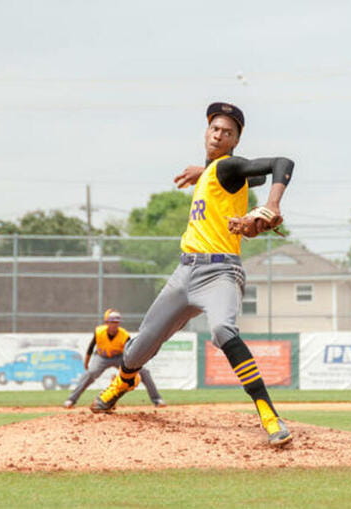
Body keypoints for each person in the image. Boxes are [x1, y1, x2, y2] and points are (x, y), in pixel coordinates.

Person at [90, 102, 295, 447]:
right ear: (206, 132)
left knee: (221, 330)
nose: (219, 134)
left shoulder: (228, 167)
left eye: (227, 132)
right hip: (184, 272)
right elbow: (254, 174)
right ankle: (125, 381)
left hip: (220, 272)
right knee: (140, 347)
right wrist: (205, 171)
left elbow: (281, 164)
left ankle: (268, 413)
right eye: (215, 128)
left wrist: (272, 205)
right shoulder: (218, 172)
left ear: (235, 141)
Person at [63, 309, 166, 408]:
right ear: (106, 322)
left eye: (116, 322)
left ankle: (157, 399)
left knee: (144, 372)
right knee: (90, 373)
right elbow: (90, 348)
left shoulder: (124, 335)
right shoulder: (99, 331)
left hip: (119, 357)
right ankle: (71, 400)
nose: (114, 324)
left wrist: (134, 367)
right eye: (111, 322)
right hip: (101, 357)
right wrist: (86, 363)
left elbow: (130, 353)